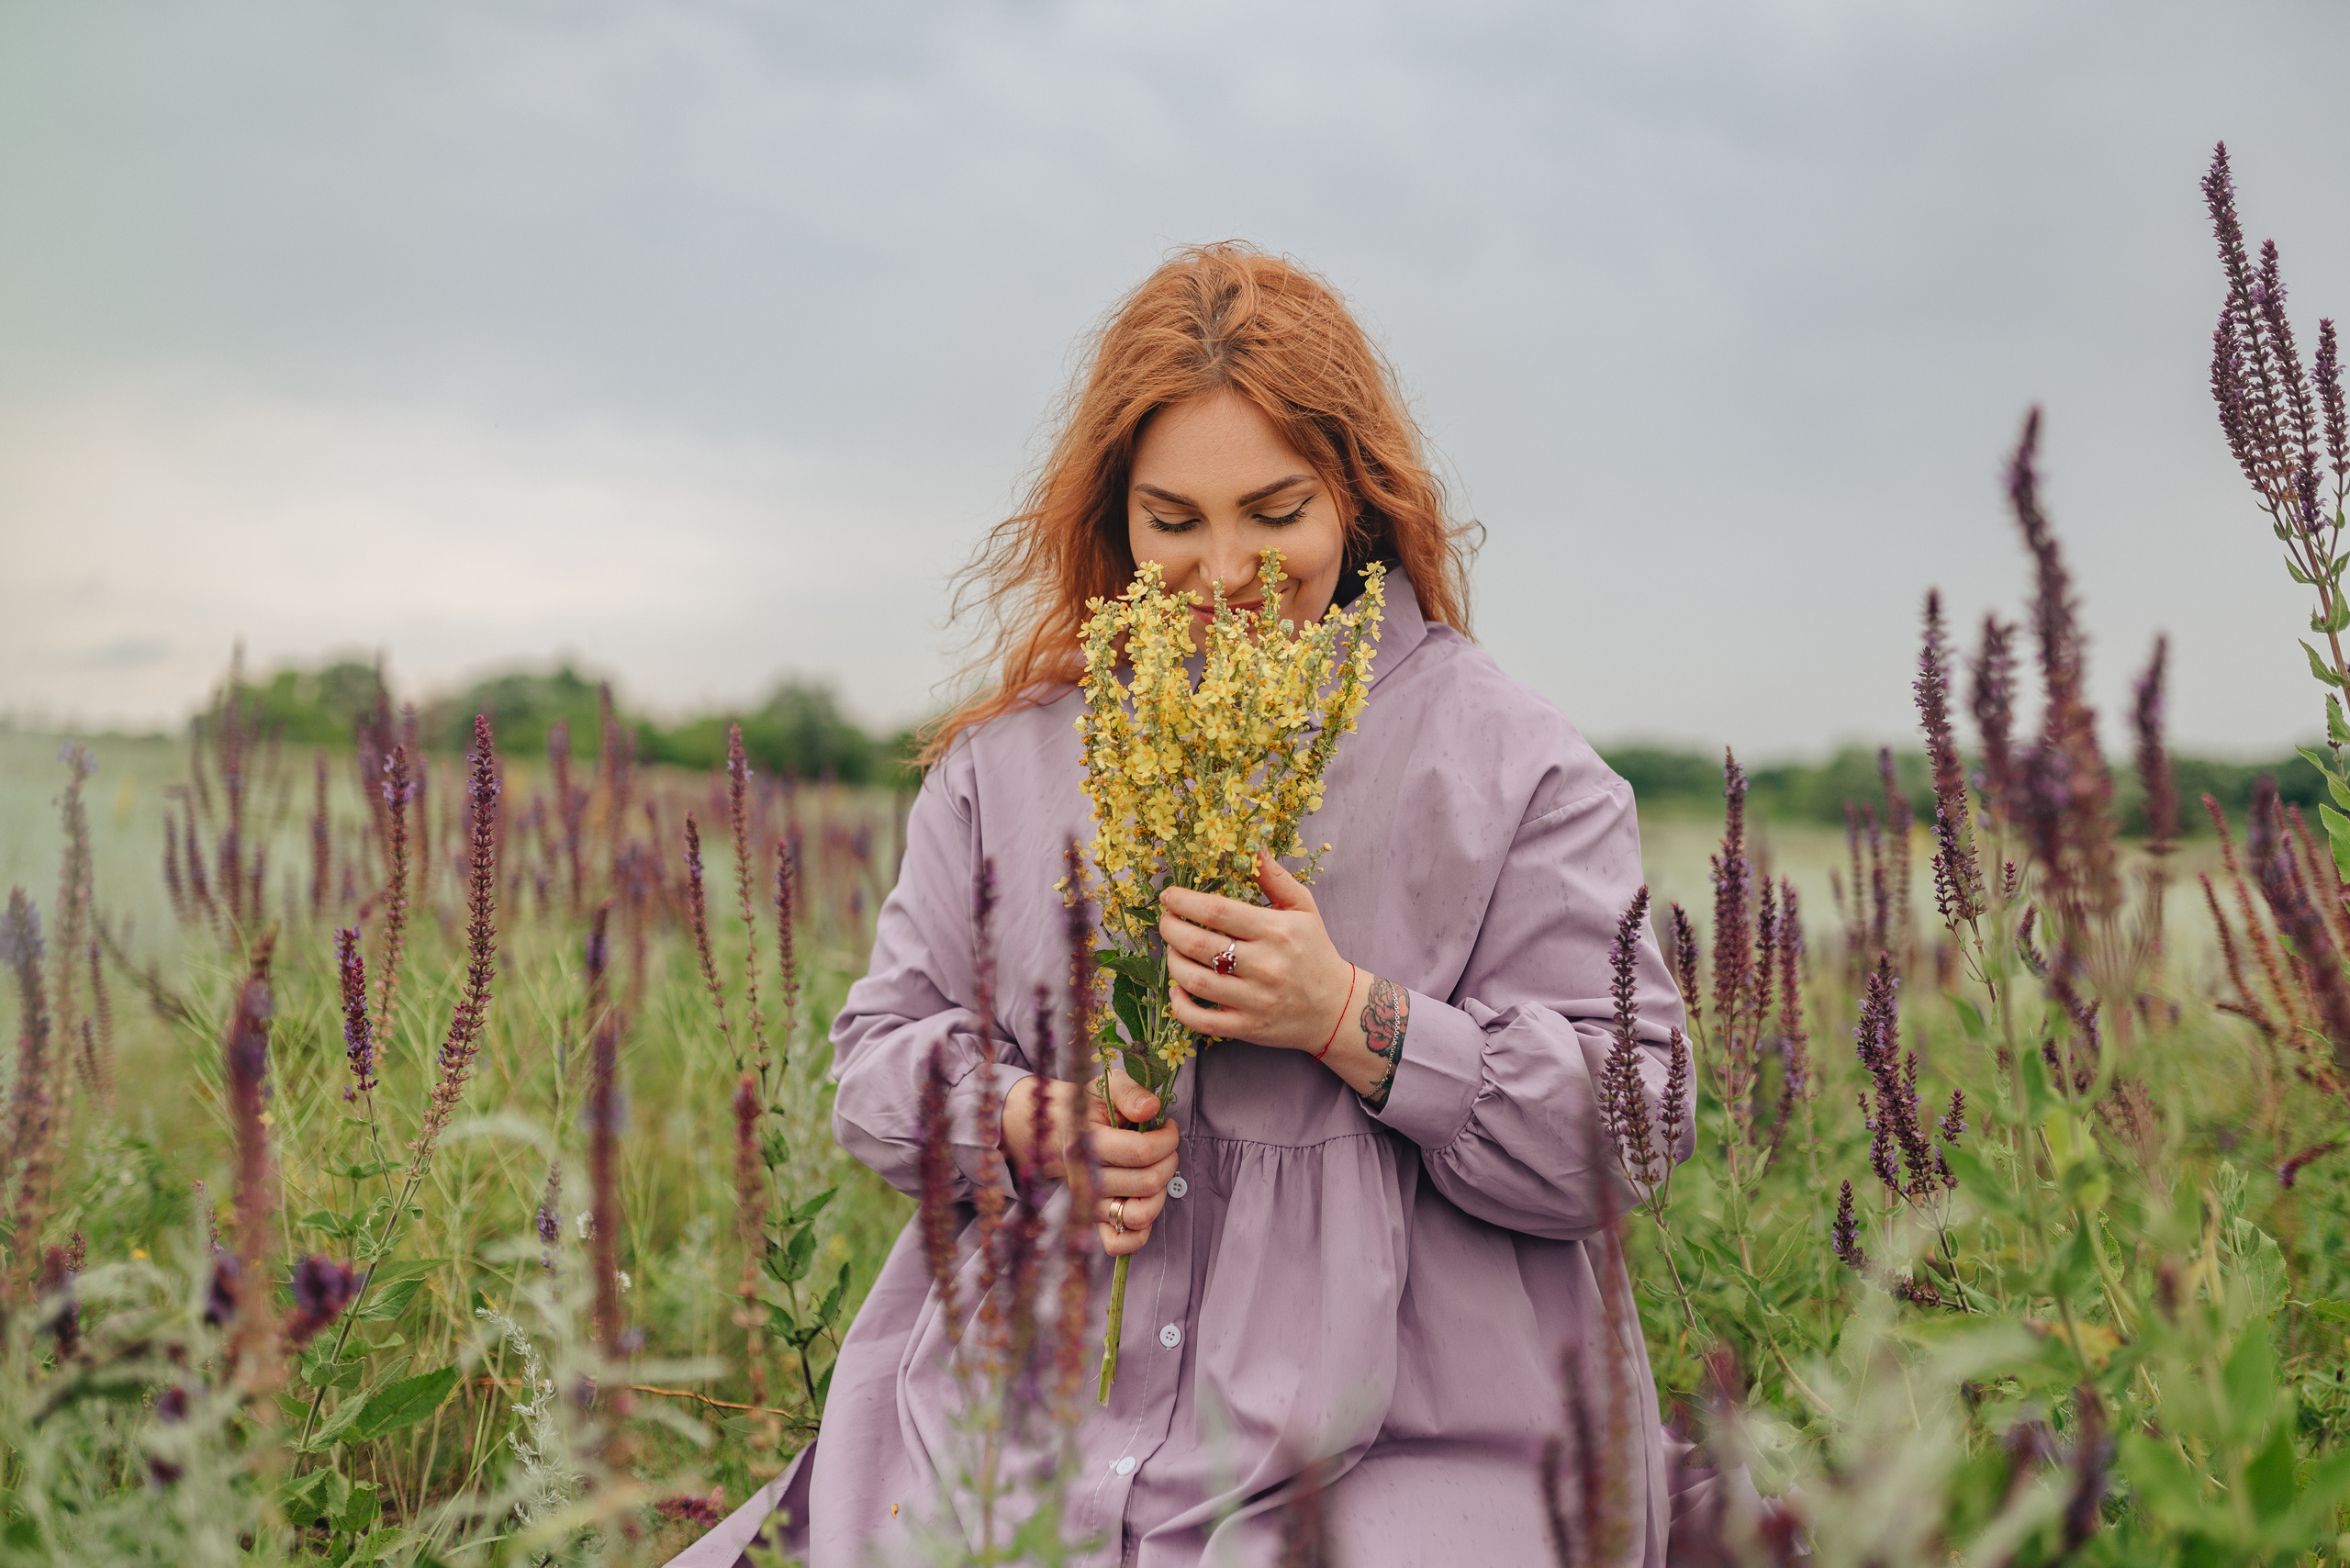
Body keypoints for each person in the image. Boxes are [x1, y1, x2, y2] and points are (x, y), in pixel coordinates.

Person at [670, 242, 1690, 1567]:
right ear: (1117, 518)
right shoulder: (1010, 763)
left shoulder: (1514, 767)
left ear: (1357, 500)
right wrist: (1037, 1122)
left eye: (1278, 515)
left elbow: (1636, 1125)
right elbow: (875, 1071)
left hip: (1396, 1447)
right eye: (1175, 521)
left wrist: (1355, 1021)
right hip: (1007, 1430)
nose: (1228, 573)